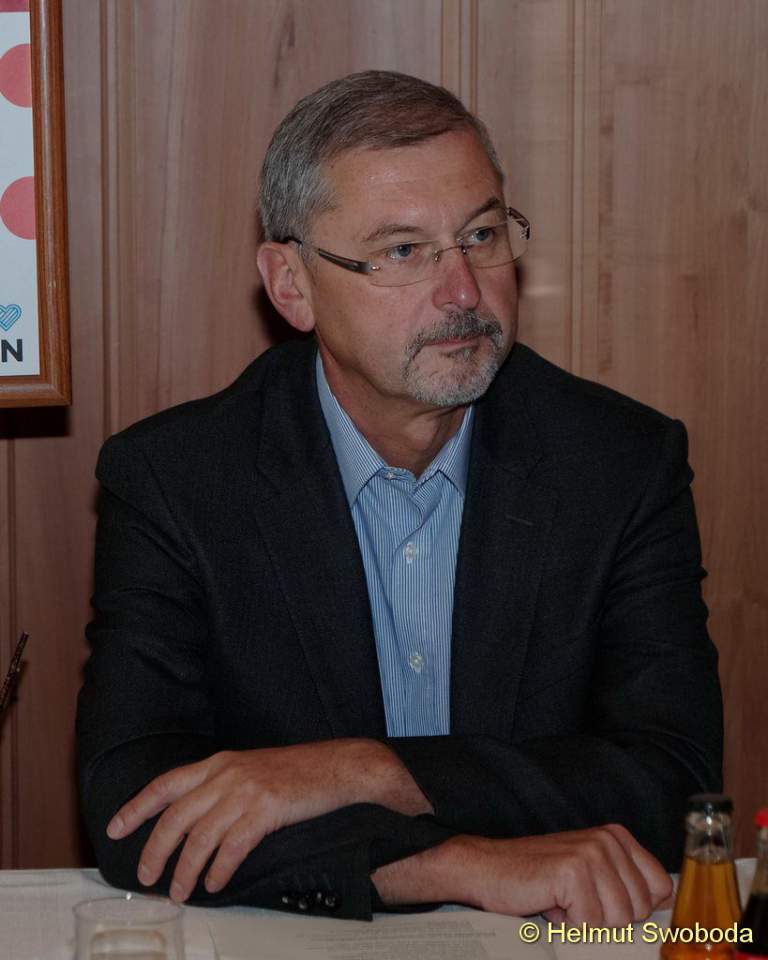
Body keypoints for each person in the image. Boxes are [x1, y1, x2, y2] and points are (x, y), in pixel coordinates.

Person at [77, 70, 722, 925]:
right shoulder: (176, 480)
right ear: (291, 284)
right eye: (403, 251)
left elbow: (675, 781)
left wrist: (367, 771)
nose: (464, 292)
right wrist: (447, 866)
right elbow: (136, 807)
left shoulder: (618, 464)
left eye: (481, 235)